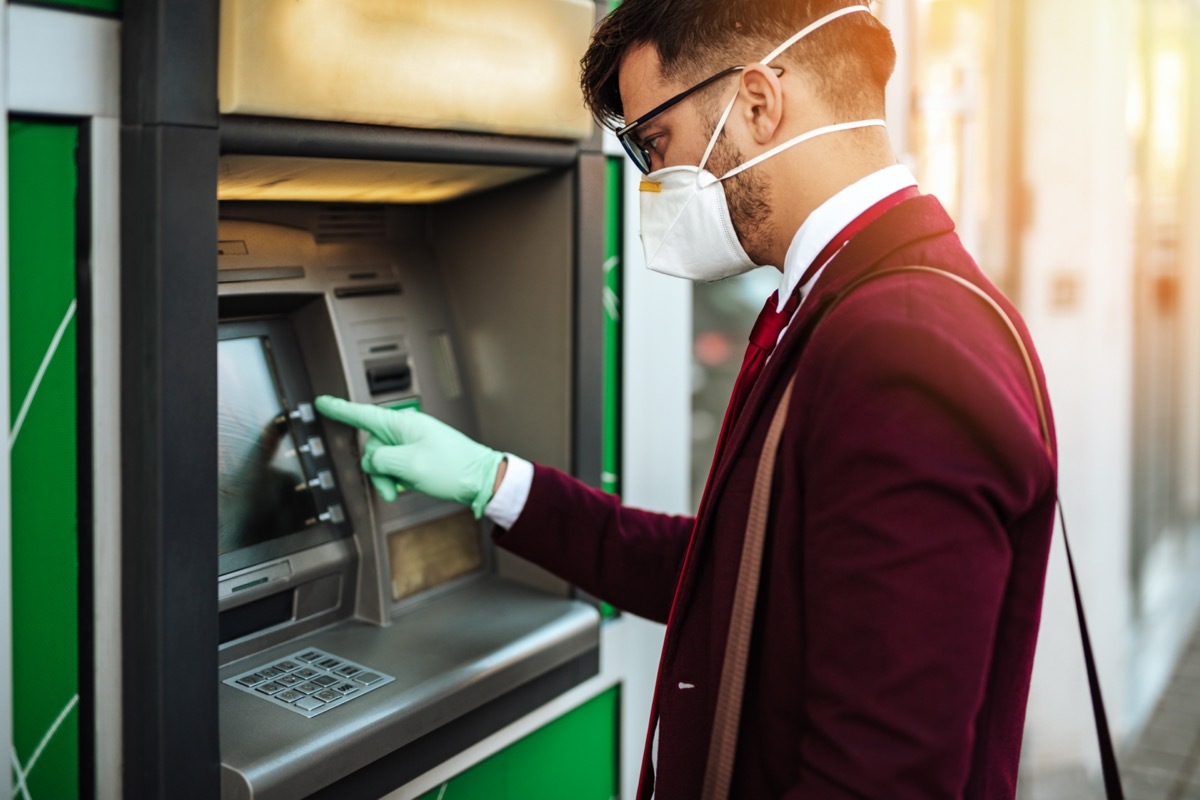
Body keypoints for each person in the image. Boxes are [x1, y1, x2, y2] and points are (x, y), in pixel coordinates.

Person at [315, 1, 1059, 796]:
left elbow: (883, 775)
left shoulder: (904, 347)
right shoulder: (858, 302)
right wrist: (493, 481)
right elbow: (741, 576)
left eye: (657, 142)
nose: (655, 179)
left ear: (758, 102)